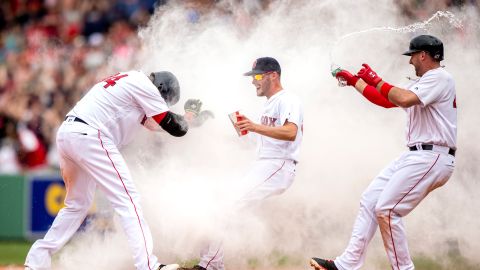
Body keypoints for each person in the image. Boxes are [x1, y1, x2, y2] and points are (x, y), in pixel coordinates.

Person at [24, 70, 204, 270]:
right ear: (161, 90)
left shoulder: (132, 80)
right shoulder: (145, 86)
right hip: (91, 135)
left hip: (68, 133)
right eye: (165, 101)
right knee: (128, 200)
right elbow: (173, 127)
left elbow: (155, 124)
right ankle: (148, 266)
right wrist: (185, 123)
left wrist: (188, 120)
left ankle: (36, 261)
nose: (162, 104)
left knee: (77, 204)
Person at [310, 35, 456, 270]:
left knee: (387, 209)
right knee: (370, 200)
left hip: (432, 155)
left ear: (423, 55)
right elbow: (387, 100)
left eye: (412, 57)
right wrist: (354, 81)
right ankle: (347, 264)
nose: (410, 62)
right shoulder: (428, 80)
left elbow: (404, 99)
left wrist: (377, 79)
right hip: (417, 155)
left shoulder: (439, 77)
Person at [180, 57, 304, 270]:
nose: (253, 81)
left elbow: (291, 132)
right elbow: (257, 143)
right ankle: (212, 264)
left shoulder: (287, 99)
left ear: (273, 75)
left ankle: (209, 266)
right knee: (217, 203)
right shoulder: (269, 104)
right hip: (265, 164)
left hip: (279, 164)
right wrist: (240, 132)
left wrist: (255, 127)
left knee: (228, 205)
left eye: (257, 76)